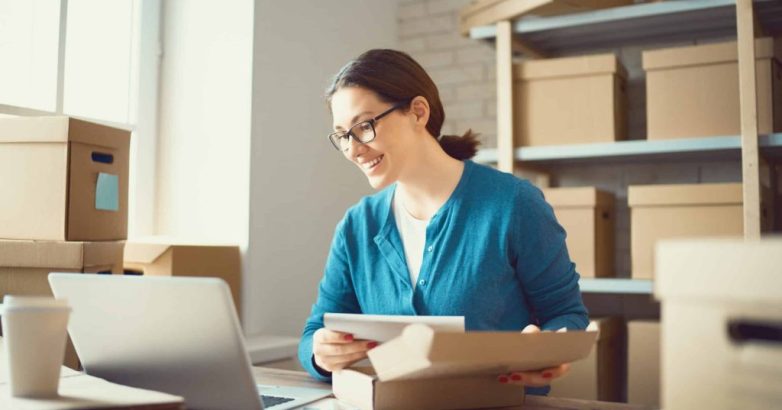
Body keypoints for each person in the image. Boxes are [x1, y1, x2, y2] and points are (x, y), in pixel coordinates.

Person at [298, 49, 589, 394]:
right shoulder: (357, 225)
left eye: (364, 126)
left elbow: (567, 314)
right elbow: (313, 332)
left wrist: (547, 348)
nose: (354, 150)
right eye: (343, 135)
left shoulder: (513, 204)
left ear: (418, 112)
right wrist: (321, 352)